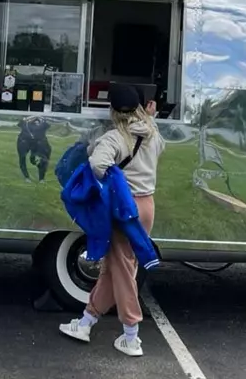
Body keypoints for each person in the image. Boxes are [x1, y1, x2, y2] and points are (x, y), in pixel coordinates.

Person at [58, 82, 165, 357]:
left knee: (122, 271)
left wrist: (112, 181)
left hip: (124, 210)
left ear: (113, 110)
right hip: (146, 207)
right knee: (115, 267)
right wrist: (150, 117)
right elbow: (153, 139)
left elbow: (97, 165)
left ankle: (132, 335)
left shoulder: (114, 138)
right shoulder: (153, 133)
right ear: (141, 108)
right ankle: (86, 321)